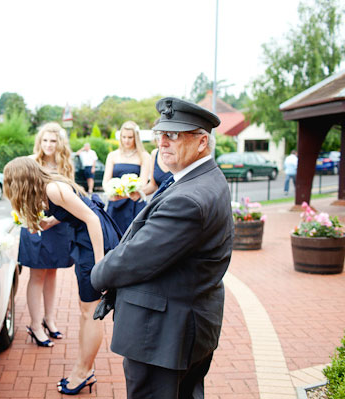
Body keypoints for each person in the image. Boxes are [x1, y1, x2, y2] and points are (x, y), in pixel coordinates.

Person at [91, 97, 234, 399]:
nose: (163, 143)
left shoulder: (189, 197)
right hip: (180, 327)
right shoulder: (201, 178)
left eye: (174, 135)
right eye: (160, 135)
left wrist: (97, 275)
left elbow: (136, 257)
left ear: (201, 142)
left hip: (164, 335)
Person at [3, 157, 121, 395]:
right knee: (86, 309)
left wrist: (100, 264)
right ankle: (83, 366)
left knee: (91, 313)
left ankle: (84, 372)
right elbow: (73, 210)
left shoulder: (53, 189)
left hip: (93, 241)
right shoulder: (48, 187)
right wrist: (49, 222)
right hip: (84, 238)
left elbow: (92, 218)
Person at [18, 122, 74, 348]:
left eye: (53, 140)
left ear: (59, 143)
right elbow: (20, 196)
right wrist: (35, 219)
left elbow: (72, 197)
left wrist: (56, 219)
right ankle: (35, 325)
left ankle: (49, 320)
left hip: (58, 225)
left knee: (52, 274)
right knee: (37, 276)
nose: (49, 145)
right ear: (39, 142)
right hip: (36, 224)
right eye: (45, 140)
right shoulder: (31, 162)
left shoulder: (65, 166)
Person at [103, 121, 151, 234]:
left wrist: (129, 192)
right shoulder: (112, 155)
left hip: (134, 203)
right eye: (124, 137)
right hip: (115, 202)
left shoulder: (144, 156)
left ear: (136, 137)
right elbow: (106, 181)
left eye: (130, 137)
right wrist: (111, 192)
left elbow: (143, 182)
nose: (126, 140)